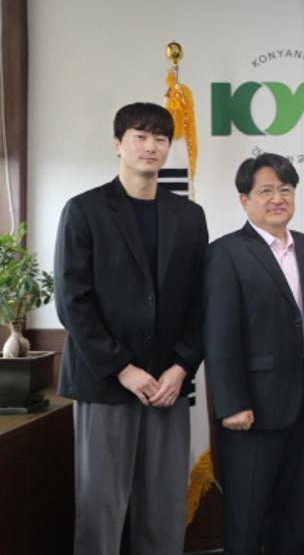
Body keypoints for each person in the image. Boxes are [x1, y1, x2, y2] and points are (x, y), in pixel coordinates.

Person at [54, 102, 208, 555]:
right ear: (118, 145)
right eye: (140, 136)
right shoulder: (84, 210)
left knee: (163, 510)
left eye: (160, 138)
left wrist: (181, 366)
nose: (151, 146)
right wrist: (122, 368)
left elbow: (201, 300)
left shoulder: (189, 216)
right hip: (106, 382)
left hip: (167, 384)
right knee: (100, 508)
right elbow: (72, 302)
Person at [203, 153, 304, 555]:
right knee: (247, 515)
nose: (277, 198)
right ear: (244, 200)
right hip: (252, 409)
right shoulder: (225, 253)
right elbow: (219, 334)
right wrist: (232, 403)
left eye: (285, 189)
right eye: (266, 191)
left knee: (295, 514)